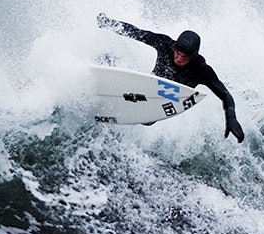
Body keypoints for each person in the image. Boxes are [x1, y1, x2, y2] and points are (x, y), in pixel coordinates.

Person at [97, 13, 245, 143]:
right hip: (148, 88)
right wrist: (109, 23)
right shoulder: (165, 45)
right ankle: (105, 64)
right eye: (177, 53)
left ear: (192, 57)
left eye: (184, 57)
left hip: (163, 105)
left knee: (147, 121)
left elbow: (225, 94)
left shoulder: (201, 69)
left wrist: (231, 117)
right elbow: (136, 32)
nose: (179, 58)